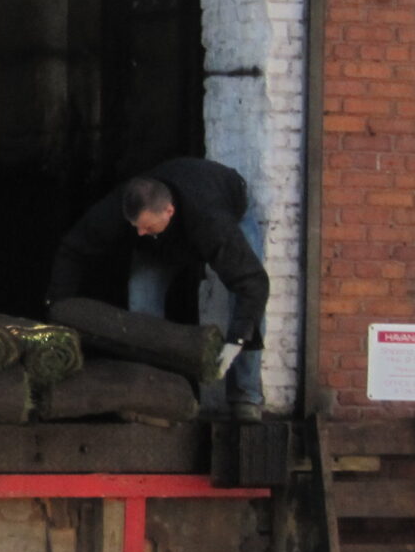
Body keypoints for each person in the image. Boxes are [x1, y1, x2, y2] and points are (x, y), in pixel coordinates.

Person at [47, 157, 269, 419]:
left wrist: (236, 340)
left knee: (245, 298)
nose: (139, 232)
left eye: (146, 226)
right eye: (135, 227)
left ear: (168, 212)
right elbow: (74, 248)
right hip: (161, 244)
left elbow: (253, 283)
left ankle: (246, 396)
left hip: (228, 208)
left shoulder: (211, 221)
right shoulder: (125, 208)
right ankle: (151, 395)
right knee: (141, 299)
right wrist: (57, 304)